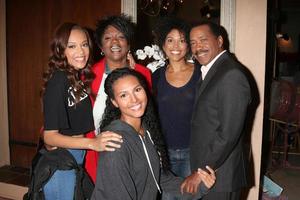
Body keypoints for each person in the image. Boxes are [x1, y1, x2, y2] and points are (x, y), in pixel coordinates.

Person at [91, 68, 216, 200]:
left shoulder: (145, 132)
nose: (134, 100)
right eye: (123, 95)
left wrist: (200, 185)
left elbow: (158, 178)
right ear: (114, 102)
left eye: (137, 90)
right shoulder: (115, 142)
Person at [41, 22, 122, 199]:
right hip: (61, 163)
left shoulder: (77, 77)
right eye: (72, 46)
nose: (81, 51)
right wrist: (92, 144)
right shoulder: (59, 79)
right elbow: (49, 136)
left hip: (75, 157)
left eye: (84, 44)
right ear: (60, 50)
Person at [181, 21, 251, 200]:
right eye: (193, 43)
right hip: (213, 169)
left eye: (203, 40)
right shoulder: (213, 70)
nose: (197, 47)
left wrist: (201, 171)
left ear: (219, 41)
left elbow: (228, 134)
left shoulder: (231, 74)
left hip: (220, 174)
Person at [85, 14, 152, 182]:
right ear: (101, 45)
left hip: (134, 153)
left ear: (128, 44)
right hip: (95, 152)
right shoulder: (88, 76)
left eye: (121, 37)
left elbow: (149, 116)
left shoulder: (143, 74)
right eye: (108, 38)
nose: (114, 42)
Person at [151, 17, 201, 200]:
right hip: (165, 153)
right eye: (170, 40)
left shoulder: (201, 73)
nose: (176, 45)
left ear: (188, 45)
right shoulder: (156, 76)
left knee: (190, 197)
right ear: (163, 45)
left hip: (192, 151)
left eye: (182, 40)